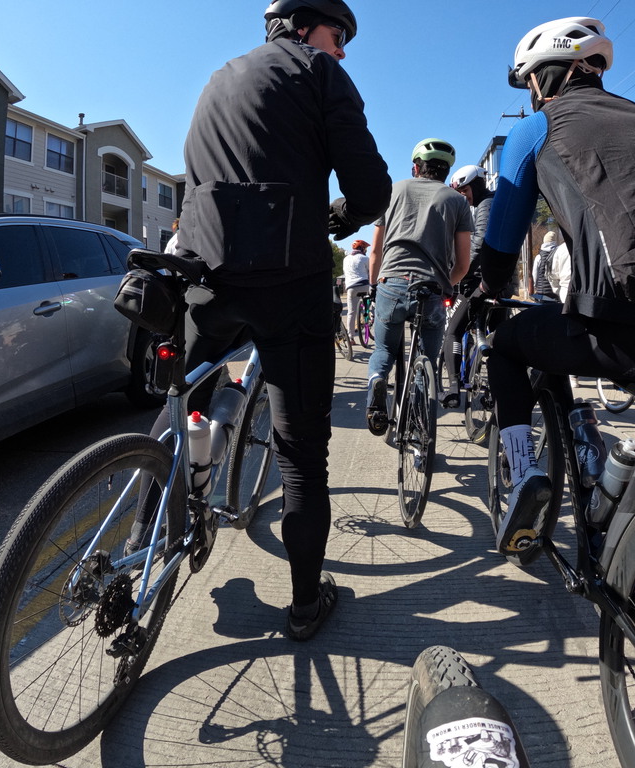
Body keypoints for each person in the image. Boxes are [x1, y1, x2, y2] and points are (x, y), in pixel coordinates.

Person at [163, 0, 391, 640]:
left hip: (206, 273)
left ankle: (158, 524)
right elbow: (372, 191)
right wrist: (338, 218)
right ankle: (305, 605)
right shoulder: (319, 71)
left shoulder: (219, 77)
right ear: (301, 27)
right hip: (289, 281)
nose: (341, 48)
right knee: (301, 455)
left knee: (184, 406)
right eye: (337, 34)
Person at [477, 17, 635, 557]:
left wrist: (486, 290)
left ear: (544, 76)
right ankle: (626, 546)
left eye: (528, 83)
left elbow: (500, 246)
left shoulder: (536, 129)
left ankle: (523, 477)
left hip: (613, 325)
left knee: (505, 347)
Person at [365, 138, 474, 436]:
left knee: (384, 349)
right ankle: (417, 421)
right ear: (445, 172)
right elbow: (463, 264)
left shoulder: (393, 191)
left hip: (392, 283)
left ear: (416, 167)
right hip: (432, 288)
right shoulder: (457, 202)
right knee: (426, 357)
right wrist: (446, 284)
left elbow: (375, 252)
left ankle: (376, 380)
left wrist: (374, 287)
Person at [440, 164, 495, 408]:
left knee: (453, 330)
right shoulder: (491, 203)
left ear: (477, 185)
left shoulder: (485, 205)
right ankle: (495, 390)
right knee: (495, 337)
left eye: (465, 190)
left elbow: (479, 242)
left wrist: (461, 273)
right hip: (498, 282)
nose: (463, 196)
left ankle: (453, 388)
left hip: (478, 283)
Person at [529, 230, 571, 302]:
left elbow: (535, 273)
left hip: (542, 291)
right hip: (555, 292)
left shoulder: (539, 256)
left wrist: (536, 286)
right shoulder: (559, 252)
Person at [342, 239, 371, 339]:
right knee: (370, 303)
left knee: (351, 312)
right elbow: (371, 272)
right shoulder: (365, 258)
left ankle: (350, 337)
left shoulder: (346, 259)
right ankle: (368, 316)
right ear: (362, 249)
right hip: (364, 285)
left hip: (351, 287)